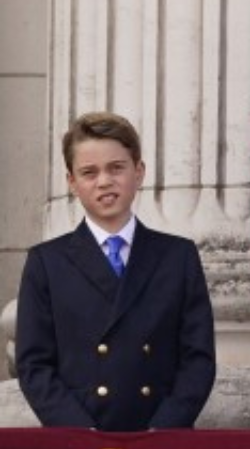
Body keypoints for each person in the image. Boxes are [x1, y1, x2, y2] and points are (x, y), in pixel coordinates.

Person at [17, 112, 216, 431]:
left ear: (138, 172)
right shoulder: (46, 263)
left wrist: (163, 429)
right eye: (89, 172)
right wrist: (80, 433)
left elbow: (198, 358)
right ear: (72, 182)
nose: (104, 181)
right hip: (80, 437)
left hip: (158, 436)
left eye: (116, 168)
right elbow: (34, 365)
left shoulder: (178, 256)